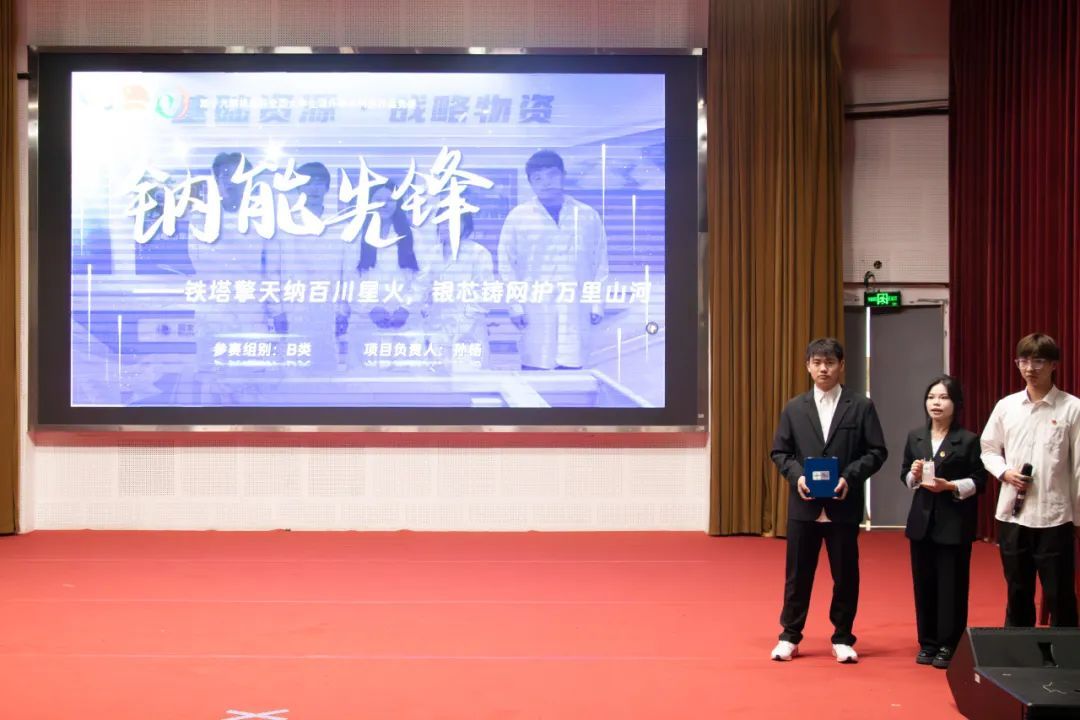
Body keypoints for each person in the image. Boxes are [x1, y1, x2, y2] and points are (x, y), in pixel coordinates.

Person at [769, 337, 888, 664]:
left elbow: (877, 451)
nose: (824, 368)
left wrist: (850, 476)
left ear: (841, 366)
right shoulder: (794, 408)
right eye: (817, 362)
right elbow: (780, 452)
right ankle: (789, 636)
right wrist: (798, 476)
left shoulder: (860, 406)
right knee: (797, 575)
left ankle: (843, 637)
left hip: (843, 505)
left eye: (830, 362)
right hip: (804, 506)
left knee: (846, 575)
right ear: (808, 366)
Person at [980, 333, 1080, 628]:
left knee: (1060, 594)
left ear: (1053, 365)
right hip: (1013, 516)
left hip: (1055, 517)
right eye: (1023, 361)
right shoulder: (1006, 406)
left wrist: (1077, 518)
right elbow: (988, 449)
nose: (1029, 368)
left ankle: (1064, 654)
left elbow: (1078, 468)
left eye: (1038, 361)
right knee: (1017, 592)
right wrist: (1004, 472)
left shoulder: (1072, 408)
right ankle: (1017, 653)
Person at [900, 375, 985, 669]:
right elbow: (905, 476)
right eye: (931, 397)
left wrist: (949, 486)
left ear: (956, 403)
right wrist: (913, 474)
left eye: (943, 397)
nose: (936, 403)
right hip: (921, 522)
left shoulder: (968, 439)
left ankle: (950, 643)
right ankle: (927, 641)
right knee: (923, 583)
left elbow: (979, 480)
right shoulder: (915, 436)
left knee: (952, 585)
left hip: (954, 523)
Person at [497, 150, 608, 370]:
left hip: (577, 307)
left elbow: (600, 262)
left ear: (563, 175)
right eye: (538, 178)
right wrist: (515, 306)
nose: (545, 183)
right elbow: (506, 264)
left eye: (552, 175)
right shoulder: (518, 216)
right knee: (536, 365)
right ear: (530, 182)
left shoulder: (587, 215)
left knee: (573, 367)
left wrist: (597, 304)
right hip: (534, 307)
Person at [338, 180, 424, 369]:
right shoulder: (355, 236)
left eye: (390, 200)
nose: (384, 205)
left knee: (404, 380)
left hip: (404, 323)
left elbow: (422, 277)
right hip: (365, 321)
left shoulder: (413, 236)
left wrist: (406, 308)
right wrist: (371, 308)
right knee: (364, 381)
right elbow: (350, 279)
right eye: (378, 200)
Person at [418, 212, 495, 370]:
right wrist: (425, 308)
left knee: (469, 377)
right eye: (444, 221)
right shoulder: (432, 253)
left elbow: (486, 292)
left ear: (465, 225)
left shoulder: (478, 253)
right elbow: (422, 286)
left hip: (469, 329)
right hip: (437, 328)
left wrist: (466, 316)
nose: (448, 226)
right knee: (439, 377)